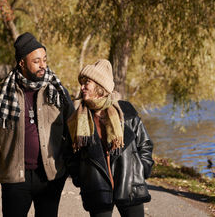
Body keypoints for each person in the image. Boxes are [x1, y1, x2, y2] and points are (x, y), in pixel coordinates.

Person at [0, 32, 74, 217]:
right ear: (22, 63)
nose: (43, 65)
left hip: (51, 177)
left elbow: (74, 128)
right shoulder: (1, 95)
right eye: (36, 61)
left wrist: (69, 166)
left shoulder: (58, 91)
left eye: (44, 60)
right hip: (15, 179)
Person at [66, 59, 154, 217]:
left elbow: (145, 144)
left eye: (87, 83)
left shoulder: (125, 112)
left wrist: (141, 170)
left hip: (129, 186)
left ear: (100, 87)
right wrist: (81, 179)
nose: (82, 87)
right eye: (82, 83)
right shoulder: (78, 119)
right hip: (97, 189)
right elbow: (72, 154)